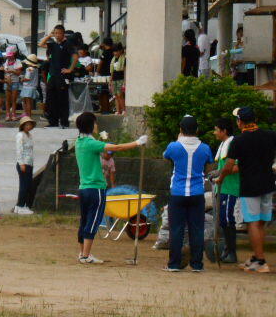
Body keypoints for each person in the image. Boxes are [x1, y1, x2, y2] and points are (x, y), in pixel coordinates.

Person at [74, 112, 147, 264]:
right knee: (93, 221)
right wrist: (137, 143)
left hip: (83, 188)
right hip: (95, 188)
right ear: (90, 125)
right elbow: (117, 148)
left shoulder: (79, 142)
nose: (97, 125)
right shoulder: (91, 143)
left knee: (85, 221)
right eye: (95, 123)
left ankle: (83, 253)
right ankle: (86, 256)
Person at [218, 107, 276, 273]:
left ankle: (261, 261)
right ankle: (256, 257)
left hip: (249, 186)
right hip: (268, 184)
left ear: (240, 122)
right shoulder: (270, 135)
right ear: (255, 119)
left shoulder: (238, 141)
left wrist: (221, 178)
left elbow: (229, 166)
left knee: (252, 223)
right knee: (260, 223)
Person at [163, 115, 214, 272]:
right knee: (197, 229)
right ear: (197, 130)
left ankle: (174, 264)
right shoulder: (205, 148)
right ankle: (197, 264)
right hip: (197, 192)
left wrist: (178, 140)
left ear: (181, 129)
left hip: (178, 192)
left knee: (176, 229)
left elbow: (166, 157)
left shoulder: (174, 146)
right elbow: (209, 166)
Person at [39, 25, 78, 127]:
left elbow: (75, 56)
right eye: (55, 33)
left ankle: (64, 122)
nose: (57, 35)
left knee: (62, 99)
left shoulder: (68, 44)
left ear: (63, 34)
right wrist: (49, 35)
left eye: (59, 33)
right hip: (52, 75)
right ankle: (53, 122)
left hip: (62, 76)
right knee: (51, 99)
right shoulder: (53, 45)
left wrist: (70, 69)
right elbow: (41, 44)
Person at [212, 117, 239, 264]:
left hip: (230, 188)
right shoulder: (223, 144)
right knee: (223, 220)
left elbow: (237, 167)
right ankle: (227, 249)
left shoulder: (233, 144)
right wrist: (217, 173)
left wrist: (221, 173)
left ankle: (232, 251)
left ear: (224, 131)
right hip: (222, 188)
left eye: (217, 130)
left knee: (227, 219)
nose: (215, 132)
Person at [15, 116, 36, 215]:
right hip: (23, 163)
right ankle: (20, 205)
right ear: (22, 126)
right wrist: (21, 163)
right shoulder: (20, 135)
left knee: (28, 185)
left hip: (29, 163)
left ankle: (23, 205)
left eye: (30, 125)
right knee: (24, 185)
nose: (28, 126)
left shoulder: (29, 135)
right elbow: (19, 150)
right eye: (26, 125)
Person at [3, 46, 23, 122]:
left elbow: (19, 73)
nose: (9, 57)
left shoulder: (18, 61)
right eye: (8, 55)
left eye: (10, 55)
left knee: (14, 100)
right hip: (7, 82)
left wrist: (11, 71)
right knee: (7, 100)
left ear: (14, 54)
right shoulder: (5, 62)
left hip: (15, 82)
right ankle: (8, 115)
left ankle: (13, 114)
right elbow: (3, 73)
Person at [96, 38, 114, 114]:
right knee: (108, 93)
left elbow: (100, 63)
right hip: (111, 74)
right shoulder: (113, 52)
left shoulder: (105, 53)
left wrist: (97, 72)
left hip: (104, 75)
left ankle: (104, 109)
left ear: (104, 44)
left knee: (103, 93)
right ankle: (107, 109)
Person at [110, 43, 126, 115]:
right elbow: (112, 71)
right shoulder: (113, 59)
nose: (115, 53)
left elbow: (124, 70)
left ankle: (124, 110)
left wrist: (125, 81)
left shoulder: (124, 58)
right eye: (114, 51)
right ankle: (118, 110)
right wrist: (111, 80)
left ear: (121, 50)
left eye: (116, 51)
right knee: (115, 95)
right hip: (114, 79)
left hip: (121, 79)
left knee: (120, 95)